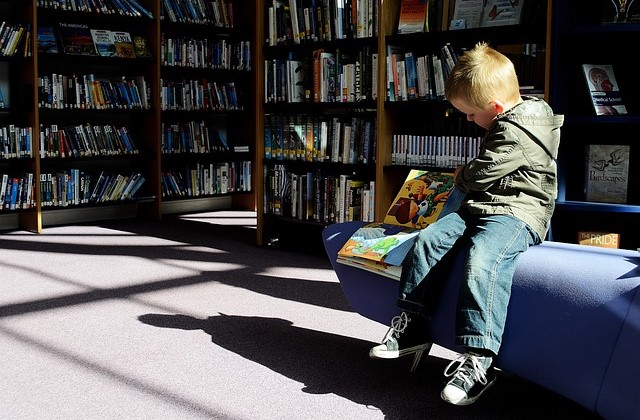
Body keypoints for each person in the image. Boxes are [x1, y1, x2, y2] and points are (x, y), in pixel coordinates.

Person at [369, 42, 564, 406]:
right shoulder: (506, 119)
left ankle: (480, 360)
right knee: (428, 240)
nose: (470, 122)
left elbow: (484, 170)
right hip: (481, 205)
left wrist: (460, 174)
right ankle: (413, 326)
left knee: (483, 259)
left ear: (494, 107)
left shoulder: (522, 129)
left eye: (472, 116)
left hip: (517, 212)